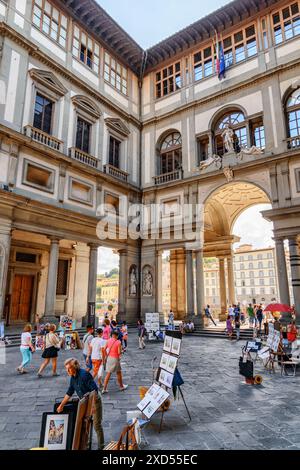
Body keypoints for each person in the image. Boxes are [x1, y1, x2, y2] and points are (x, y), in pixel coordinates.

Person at [57, 358, 104, 450]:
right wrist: (61, 405)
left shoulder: (84, 375)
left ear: (75, 367)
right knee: (86, 424)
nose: (67, 371)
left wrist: (93, 405)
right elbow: (69, 392)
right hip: (85, 401)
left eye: (69, 368)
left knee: (96, 425)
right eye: (66, 369)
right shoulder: (72, 378)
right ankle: (86, 444)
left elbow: (94, 390)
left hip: (95, 400)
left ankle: (101, 447)